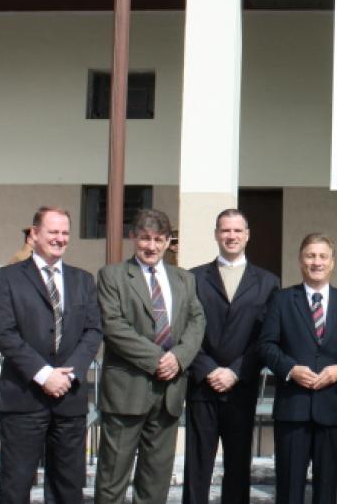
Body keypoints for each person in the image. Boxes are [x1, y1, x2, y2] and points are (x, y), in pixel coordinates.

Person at [0, 206, 102, 503]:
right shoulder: (8, 278)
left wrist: (70, 372)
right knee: (16, 484)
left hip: (69, 398)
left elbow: (93, 332)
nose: (60, 238)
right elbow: (5, 334)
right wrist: (44, 375)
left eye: (65, 233)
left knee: (67, 486)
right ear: (34, 234)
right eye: (53, 232)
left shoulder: (83, 280)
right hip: (24, 397)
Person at [95, 209, 206, 504]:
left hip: (169, 392)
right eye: (145, 238)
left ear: (169, 241)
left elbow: (197, 322)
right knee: (112, 480)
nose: (151, 246)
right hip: (126, 391)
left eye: (159, 239)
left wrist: (179, 358)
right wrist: (159, 359)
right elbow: (113, 326)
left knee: (155, 481)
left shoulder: (184, 279)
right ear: (133, 237)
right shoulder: (112, 276)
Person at [259, 233, 337, 504]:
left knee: (327, 489)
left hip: (333, 408)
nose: (316, 262)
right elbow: (267, 345)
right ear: (300, 260)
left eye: (322, 256)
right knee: (289, 488)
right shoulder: (282, 300)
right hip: (293, 407)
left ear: (332, 263)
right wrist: (290, 369)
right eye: (310, 256)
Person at [183, 210, 279, 504]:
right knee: (198, 464)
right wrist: (208, 369)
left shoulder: (268, 282)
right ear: (216, 234)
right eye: (226, 230)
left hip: (242, 385)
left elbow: (267, 336)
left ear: (248, 235)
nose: (232, 236)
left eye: (238, 231)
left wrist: (236, 371)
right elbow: (185, 329)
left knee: (238, 465)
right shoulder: (193, 278)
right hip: (202, 383)